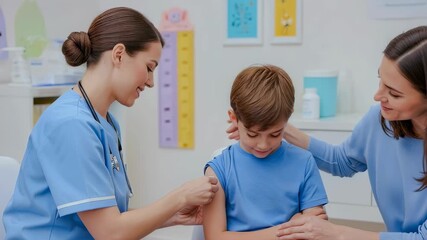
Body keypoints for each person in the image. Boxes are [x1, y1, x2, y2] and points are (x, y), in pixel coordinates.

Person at [2, 7, 218, 240]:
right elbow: (110, 233)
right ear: (118, 54)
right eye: (149, 68)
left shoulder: (105, 122)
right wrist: (180, 196)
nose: (151, 82)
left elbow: (108, 218)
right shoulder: (72, 125)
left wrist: (173, 216)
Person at [226, 26, 427, 240]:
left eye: (394, 93)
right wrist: (274, 128)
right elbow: (341, 160)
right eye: (380, 81)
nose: (378, 96)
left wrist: (336, 232)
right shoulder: (380, 121)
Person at [203, 64, 328, 240]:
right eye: (253, 134)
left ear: (287, 119)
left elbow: (316, 229)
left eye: (275, 134)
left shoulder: (304, 162)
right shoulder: (219, 169)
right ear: (234, 119)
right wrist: (287, 231)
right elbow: (215, 237)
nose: (263, 145)